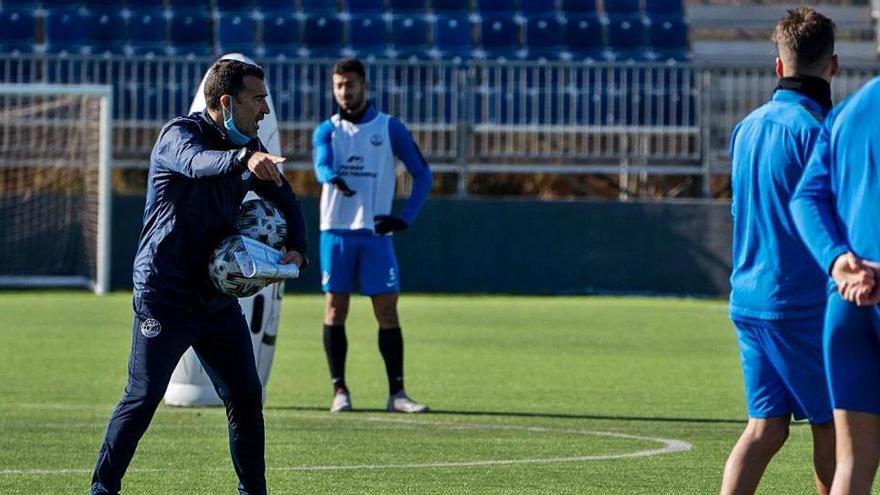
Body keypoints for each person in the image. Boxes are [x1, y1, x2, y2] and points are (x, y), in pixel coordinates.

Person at [90, 59, 307, 495]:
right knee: (144, 396)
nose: (265, 109)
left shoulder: (249, 144)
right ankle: (102, 491)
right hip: (164, 293)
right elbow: (199, 163)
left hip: (214, 299)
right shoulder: (179, 135)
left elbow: (284, 195)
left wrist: (298, 250)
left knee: (246, 397)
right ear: (227, 103)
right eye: (258, 99)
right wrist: (246, 157)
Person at [721, 8, 840, 494]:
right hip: (801, 304)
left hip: (748, 300)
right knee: (834, 424)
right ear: (832, 65)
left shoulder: (747, 127)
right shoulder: (818, 130)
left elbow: (737, 211)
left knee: (765, 429)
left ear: (778, 66)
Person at [312, 58, 433, 413]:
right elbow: (321, 163)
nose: (344, 92)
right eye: (338, 86)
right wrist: (331, 177)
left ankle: (397, 394)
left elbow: (423, 175)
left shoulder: (389, 127)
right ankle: (340, 391)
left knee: (387, 312)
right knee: (335, 310)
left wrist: (405, 218)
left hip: (375, 233)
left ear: (365, 85)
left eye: (350, 84)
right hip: (335, 231)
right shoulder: (327, 130)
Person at [791, 38, 880, 495]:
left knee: (852, 466)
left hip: (847, 303)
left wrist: (837, 260)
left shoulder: (848, 112)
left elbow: (806, 198)